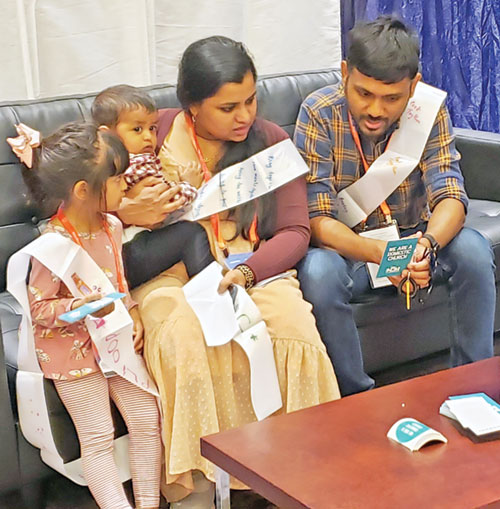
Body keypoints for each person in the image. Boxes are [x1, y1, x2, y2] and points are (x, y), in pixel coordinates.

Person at [127, 36, 340, 508]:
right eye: (228, 107)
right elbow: (91, 217)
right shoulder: (147, 136)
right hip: (169, 273)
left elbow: (295, 232)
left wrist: (249, 274)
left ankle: (306, 471)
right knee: (183, 334)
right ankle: (198, 489)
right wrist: (126, 209)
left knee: (292, 325)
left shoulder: (271, 142)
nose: (245, 116)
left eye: (251, 100)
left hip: (248, 267)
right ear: (191, 106)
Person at [294, 16, 496, 396]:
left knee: (472, 248)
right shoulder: (319, 113)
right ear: (344, 74)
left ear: (413, 87)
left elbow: (450, 194)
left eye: (391, 99)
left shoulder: (427, 110)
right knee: (317, 271)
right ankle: (355, 398)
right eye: (363, 93)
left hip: (414, 239)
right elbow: (318, 220)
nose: (375, 110)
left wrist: (427, 245)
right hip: (349, 250)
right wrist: (383, 253)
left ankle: (474, 389)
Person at [8, 122, 161, 509]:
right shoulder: (52, 246)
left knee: (146, 419)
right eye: (118, 178)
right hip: (71, 356)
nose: (127, 184)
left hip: (114, 344)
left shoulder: (111, 226)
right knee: (97, 437)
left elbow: (120, 283)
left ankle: (147, 503)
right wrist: (75, 308)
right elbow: (39, 309)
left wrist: (133, 312)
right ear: (83, 190)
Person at [91, 84, 214, 289]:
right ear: (107, 135)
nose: (148, 136)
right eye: (137, 129)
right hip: (120, 252)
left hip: (126, 248)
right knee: (191, 233)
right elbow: (167, 201)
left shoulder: (143, 158)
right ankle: (218, 295)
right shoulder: (133, 164)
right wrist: (189, 186)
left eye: (152, 128)